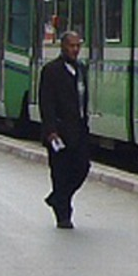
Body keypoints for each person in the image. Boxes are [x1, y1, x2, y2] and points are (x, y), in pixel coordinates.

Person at [37, 31, 90, 229]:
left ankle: (57, 198)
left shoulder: (82, 69)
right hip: (58, 132)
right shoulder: (51, 71)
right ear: (63, 47)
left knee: (82, 167)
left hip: (79, 130)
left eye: (78, 46)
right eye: (72, 46)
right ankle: (63, 216)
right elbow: (46, 102)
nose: (75, 50)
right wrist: (51, 130)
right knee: (60, 173)